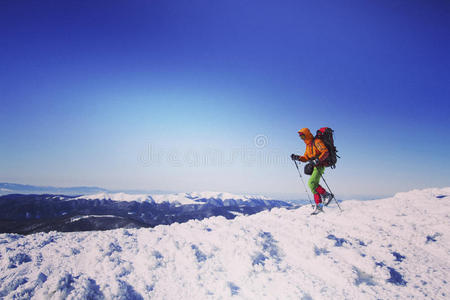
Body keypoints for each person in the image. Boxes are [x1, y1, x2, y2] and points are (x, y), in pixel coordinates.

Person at [291, 128, 333, 214]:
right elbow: (306, 158)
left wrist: (318, 160)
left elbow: (325, 152)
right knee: (313, 186)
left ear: (307, 134)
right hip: (315, 166)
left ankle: (327, 195)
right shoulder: (308, 146)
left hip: (320, 165)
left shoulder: (317, 142)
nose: (302, 139)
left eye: (302, 136)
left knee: (312, 183)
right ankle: (319, 207)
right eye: (300, 137)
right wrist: (297, 157)